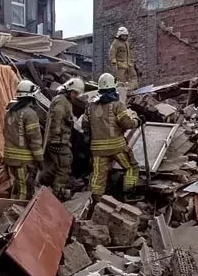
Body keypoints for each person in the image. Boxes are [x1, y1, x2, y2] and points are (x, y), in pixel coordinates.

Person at [83, 73, 140, 201]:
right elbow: (127, 123)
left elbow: (85, 126)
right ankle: (129, 194)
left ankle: (96, 201)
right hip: (117, 147)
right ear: (113, 87)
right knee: (131, 167)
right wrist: (137, 120)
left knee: (98, 176)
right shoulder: (117, 105)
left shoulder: (90, 106)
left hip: (97, 150)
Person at [40, 77, 85, 200]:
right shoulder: (61, 101)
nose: (76, 96)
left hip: (61, 140)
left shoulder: (65, 101)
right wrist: (56, 138)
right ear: (68, 89)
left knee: (59, 164)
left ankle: (42, 180)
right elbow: (56, 120)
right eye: (75, 93)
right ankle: (57, 195)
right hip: (58, 141)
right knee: (63, 168)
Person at [3, 80, 44, 200]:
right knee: (25, 189)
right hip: (23, 161)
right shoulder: (30, 114)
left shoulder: (9, 112)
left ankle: (12, 209)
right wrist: (40, 159)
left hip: (10, 158)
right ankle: (19, 213)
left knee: (17, 185)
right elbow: (34, 139)